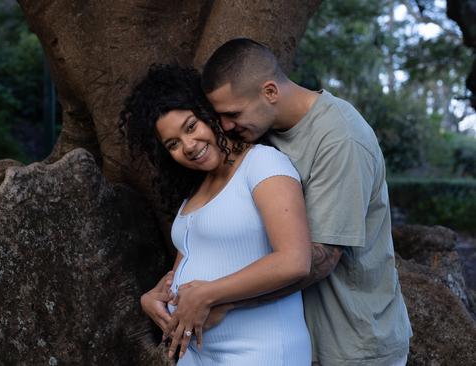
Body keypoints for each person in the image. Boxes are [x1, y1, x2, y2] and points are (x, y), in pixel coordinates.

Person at [174, 38, 411, 366]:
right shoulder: (262, 132)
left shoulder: (340, 138)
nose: (226, 127)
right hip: (298, 341)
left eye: (233, 114)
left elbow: (321, 259)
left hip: (354, 345)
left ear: (270, 92)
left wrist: (219, 302)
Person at [120, 64, 312, 365]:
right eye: (173, 144)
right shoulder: (194, 191)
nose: (189, 146)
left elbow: (295, 260)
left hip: (261, 350)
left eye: (191, 126)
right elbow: (189, 265)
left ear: (208, 113)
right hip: (195, 352)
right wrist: (154, 298)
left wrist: (208, 294)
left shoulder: (262, 164)